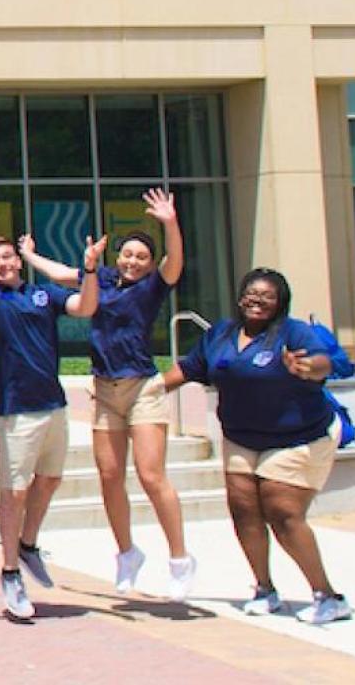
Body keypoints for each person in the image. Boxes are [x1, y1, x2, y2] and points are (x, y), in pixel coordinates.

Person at [158, 268, 351, 625]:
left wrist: (306, 367)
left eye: (267, 296)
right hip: (241, 436)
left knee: (282, 511)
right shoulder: (221, 334)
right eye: (251, 293)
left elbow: (323, 363)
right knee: (244, 509)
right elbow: (187, 368)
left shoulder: (293, 331)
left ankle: (328, 596)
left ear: (280, 303)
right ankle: (264, 589)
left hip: (299, 436)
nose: (257, 301)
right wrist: (145, 393)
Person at [0, 231, 101, 620]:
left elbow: (85, 305)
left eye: (8, 257)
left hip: (53, 404)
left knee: (50, 479)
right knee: (14, 492)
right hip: (15, 409)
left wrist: (90, 268)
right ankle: (10, 571)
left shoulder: (42, 294)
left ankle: (28, 545)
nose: (3, 264)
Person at [89, 189, 196, 600]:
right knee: (110, 476)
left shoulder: (152, 287)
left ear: (149, 264)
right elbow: (66, 276)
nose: (132, 261)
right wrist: (28, 257)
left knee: (151, 475)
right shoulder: (102, 283)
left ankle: (180, 560)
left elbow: (176, 263)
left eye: (140, 257)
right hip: (104, 389)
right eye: (127, 255)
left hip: (142, 389)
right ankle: (127, 553)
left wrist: (169, 222)